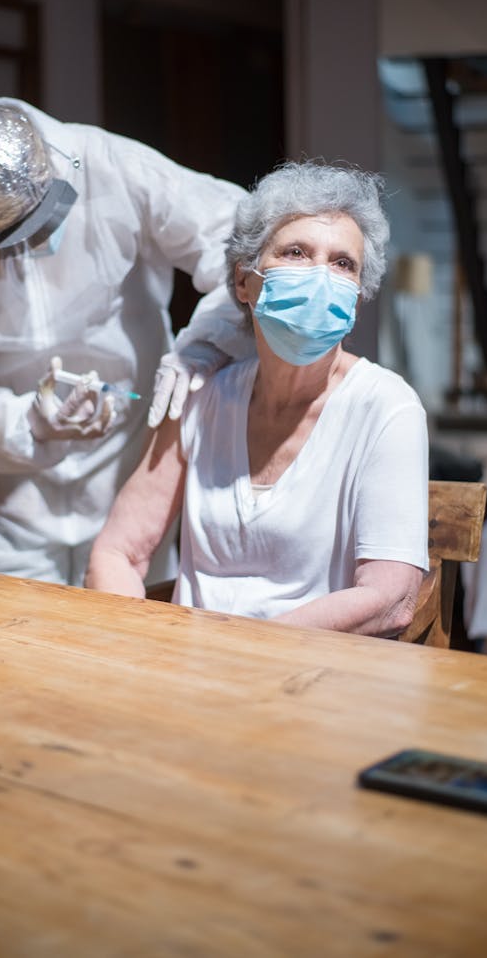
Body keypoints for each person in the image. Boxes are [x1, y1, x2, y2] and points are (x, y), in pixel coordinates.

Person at [0, 93, 248, 586]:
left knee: (134, 635)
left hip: (131, 458)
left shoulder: (110, 164)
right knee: (18, 643)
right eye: (5, 249)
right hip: (7, 489)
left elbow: (240, 239)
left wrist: (207, 342)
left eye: (41, 229)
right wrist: (28, 422)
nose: (29, 256)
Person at [85, 161, 430, 635]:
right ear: (244, 283)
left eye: (342, 262)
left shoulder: (387, 408)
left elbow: (390, 599)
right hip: (187, 678)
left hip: (310, 678)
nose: (320, 276)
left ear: (357, 297)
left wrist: (250, 652)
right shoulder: (203, 399)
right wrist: (138, 648)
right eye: (296, 252)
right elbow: (117, 552)